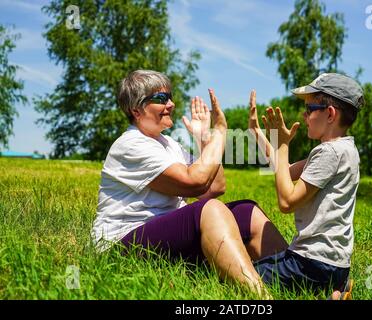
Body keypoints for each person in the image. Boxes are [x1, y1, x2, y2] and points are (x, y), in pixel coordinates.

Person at [91, 70, 288, 297]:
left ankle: (296, 280)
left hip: (164, 237)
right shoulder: (131, 145)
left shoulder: (168, 144)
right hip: (121, 247)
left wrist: (204, 137)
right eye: (161, 99)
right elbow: (195, 182)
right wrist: (220, 133)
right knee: (211, 210)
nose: (172, 104)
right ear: (136, 110)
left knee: (246, 211)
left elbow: (214, 187)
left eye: (170, 97)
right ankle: (260, 297)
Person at [248, 73, 364, 300]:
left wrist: (283, 145)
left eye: (310, 109)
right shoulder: (345, 149)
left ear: (330, 114)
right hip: (335, 265)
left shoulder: (328, 153)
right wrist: (257, 132)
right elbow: (285, 169)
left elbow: (286, 202)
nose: (304, 115)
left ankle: (321, 288)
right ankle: (331, 291)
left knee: (239, 276)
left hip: (309, 264)